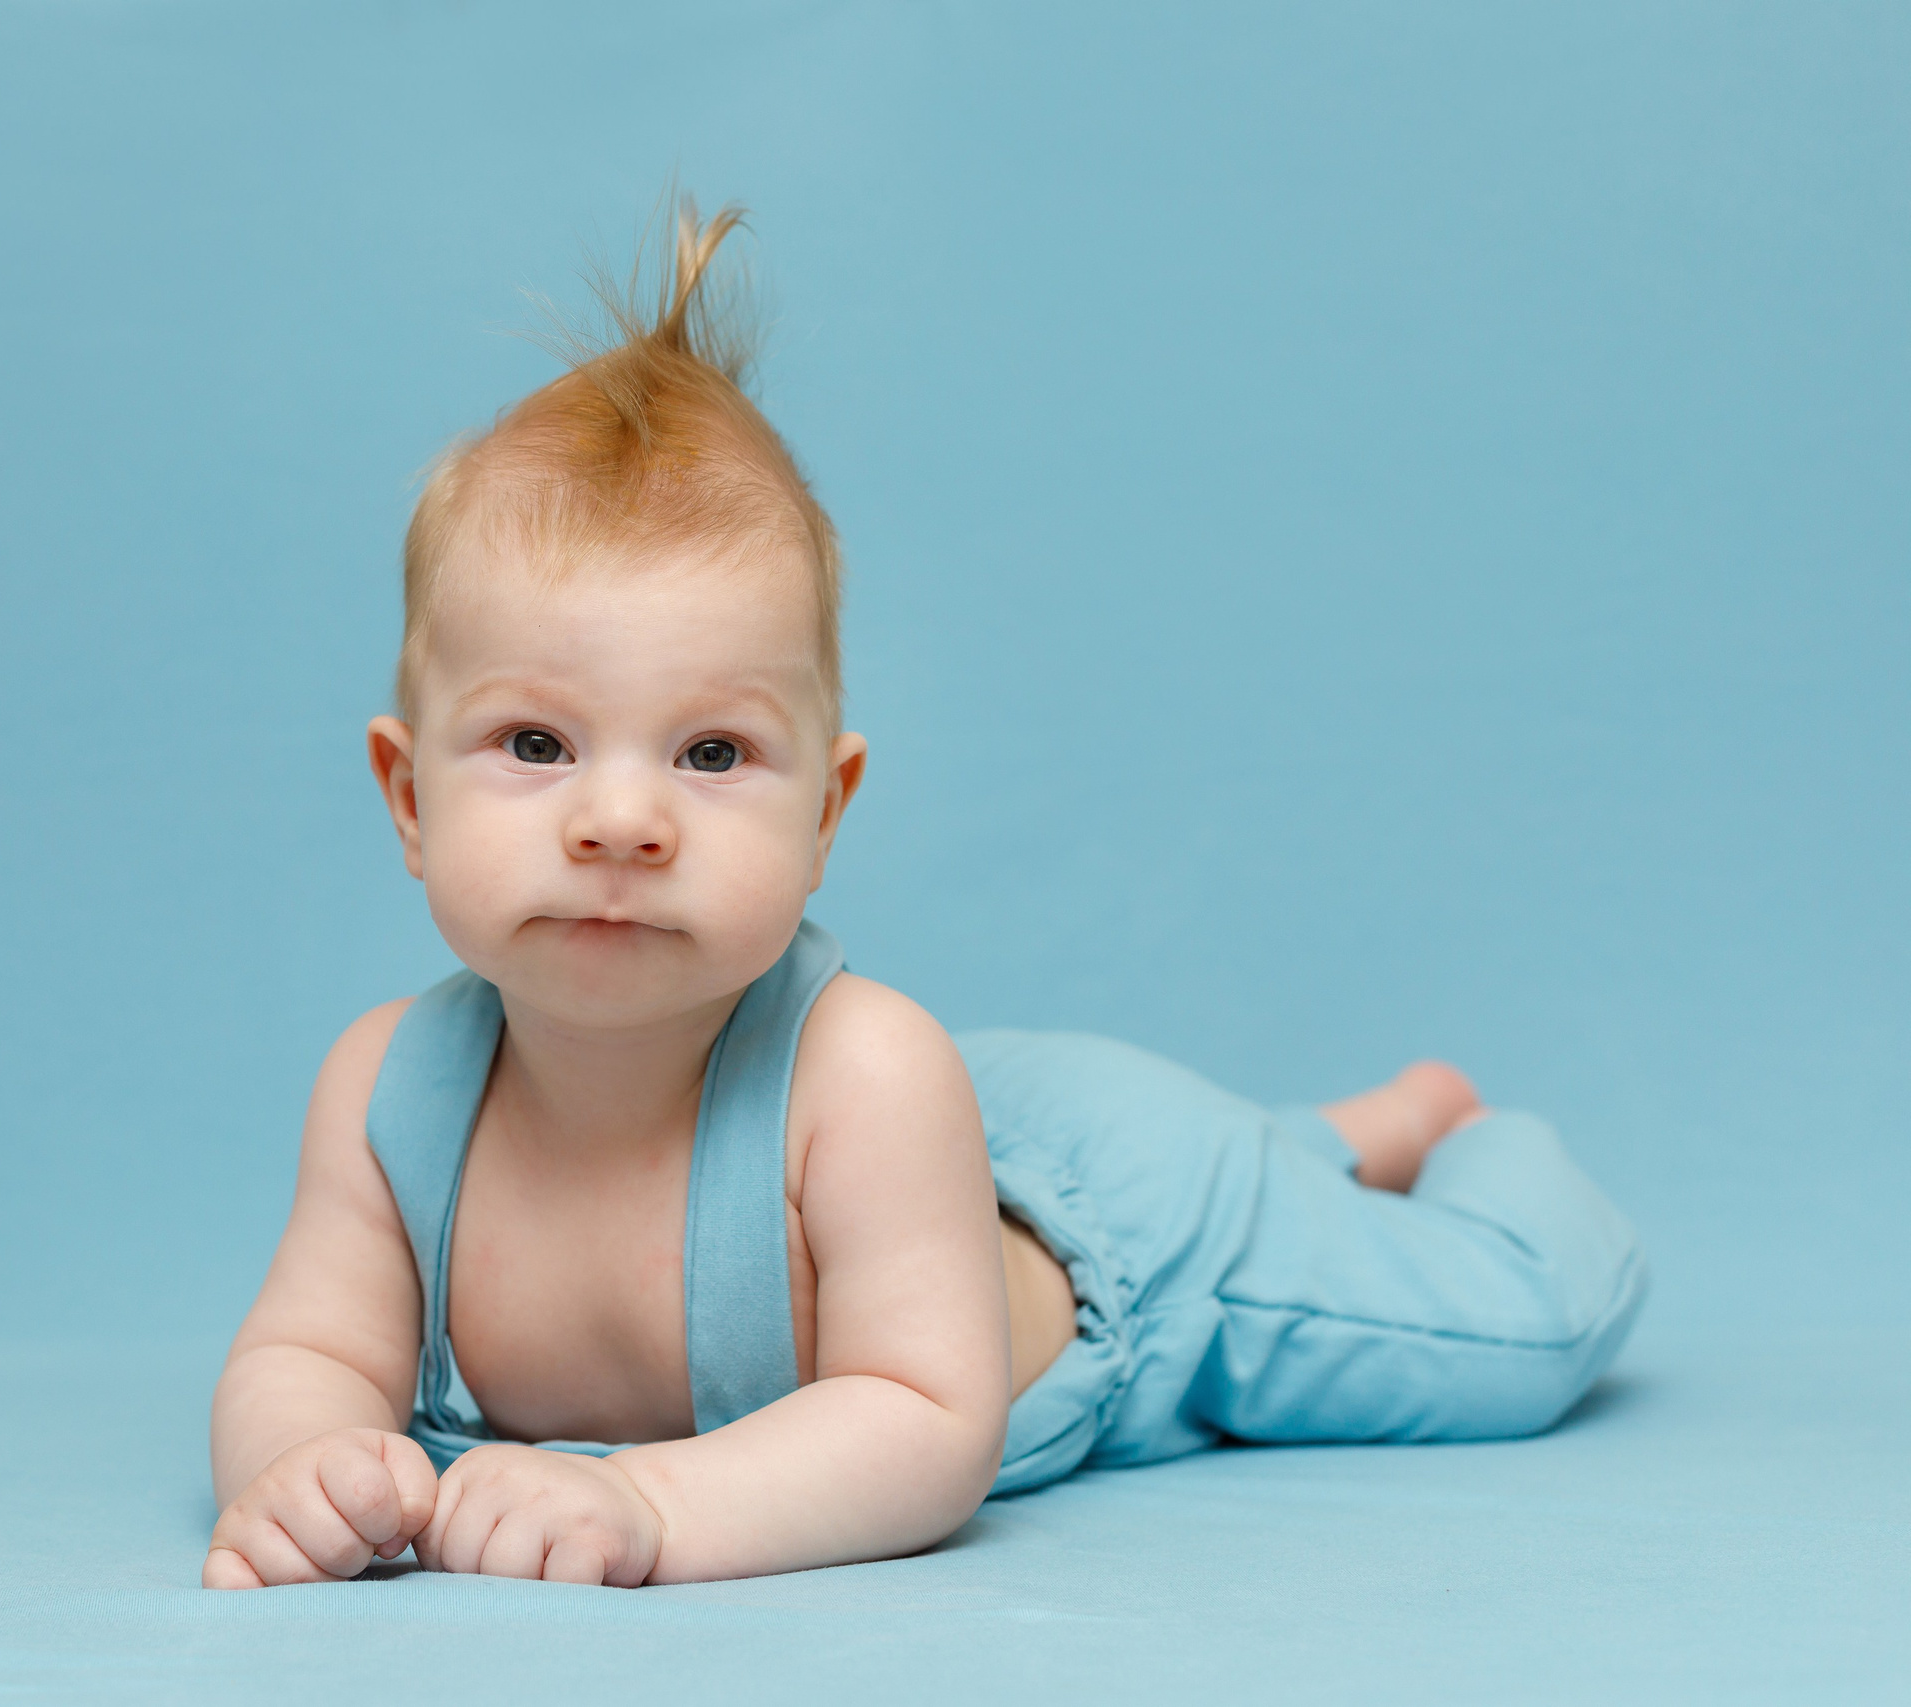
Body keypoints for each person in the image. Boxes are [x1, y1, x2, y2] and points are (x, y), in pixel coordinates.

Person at [203, 200, 1647, 1590]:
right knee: (1227, 1153)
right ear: (409, 795)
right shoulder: (388, 1095)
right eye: (536, 744)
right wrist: (301, 1465)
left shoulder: (872, 1075)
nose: (623, 822)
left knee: (1515, 1333)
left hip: (1131, 1243)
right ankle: (1363, 1125)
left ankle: (1467, 1136)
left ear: (825, 813)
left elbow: (923, 1423)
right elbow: (306, 1352)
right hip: (966, 1147)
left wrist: (651, 1502)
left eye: (712, 753)